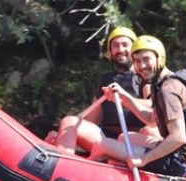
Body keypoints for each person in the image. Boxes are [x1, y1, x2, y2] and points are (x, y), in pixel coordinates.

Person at [88, 35, 186, 177]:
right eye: (137, 61)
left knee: (103, 146)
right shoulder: (162, 82)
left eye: (147, 59)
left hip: (180, 163)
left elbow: (178, 137)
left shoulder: (168, 90)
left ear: (160, 58)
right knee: (125, 137)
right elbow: (152, 120)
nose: (141, 66)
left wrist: (143, 159)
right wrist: (125, 98)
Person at [44, 27, 158, 155]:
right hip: (106, 136)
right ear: (110, 51)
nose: (120, 50)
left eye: (125, 45)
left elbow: (154, 105)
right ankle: (62, 166)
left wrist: (124, 98)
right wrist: (62, 132)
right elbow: (92, 117)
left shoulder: (144, 76)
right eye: (115, 46)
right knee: (68, 122)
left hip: (135, 137)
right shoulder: (106, 80)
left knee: (151, 131)